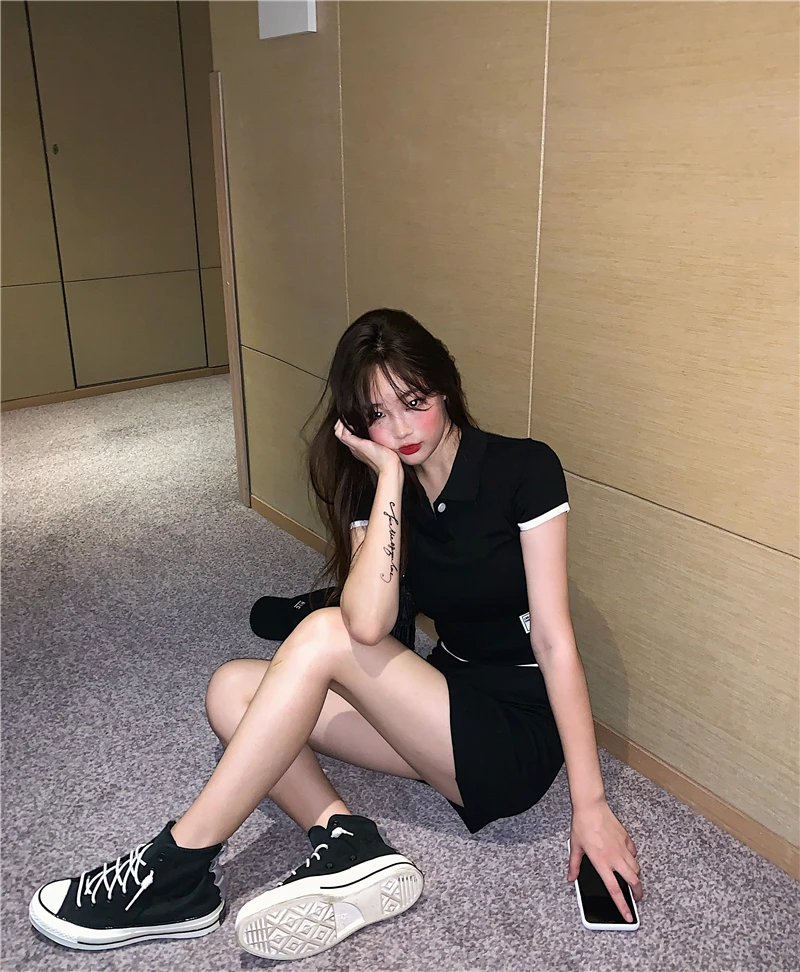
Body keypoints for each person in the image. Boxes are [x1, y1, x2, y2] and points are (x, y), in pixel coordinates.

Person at [29, 308, 643, 960]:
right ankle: (347, 840)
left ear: (446, 387)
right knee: (231, 689)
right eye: (378, 414)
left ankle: (178, 866)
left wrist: (590, 803)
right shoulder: (375, 487)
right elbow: (372, 622)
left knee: (322, 634)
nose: (400, 429)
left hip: (511, 732)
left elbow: (552, 642)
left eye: (414, 402)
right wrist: (389, 481)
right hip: (438, 702)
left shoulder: (524, 469)